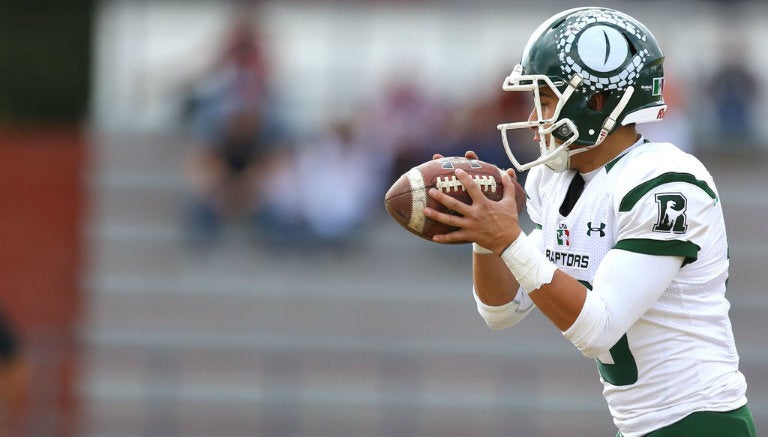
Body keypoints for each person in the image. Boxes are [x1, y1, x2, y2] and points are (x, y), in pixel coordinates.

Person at [423, 7, 754, 437]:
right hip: (639, 425)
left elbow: (599, 328)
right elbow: (501, 311)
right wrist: (484, 231)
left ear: (594, 102)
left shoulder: (664, 182)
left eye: (544, 101)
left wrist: (507, 238)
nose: (532, 119)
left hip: (699, 421)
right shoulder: (554, 178)